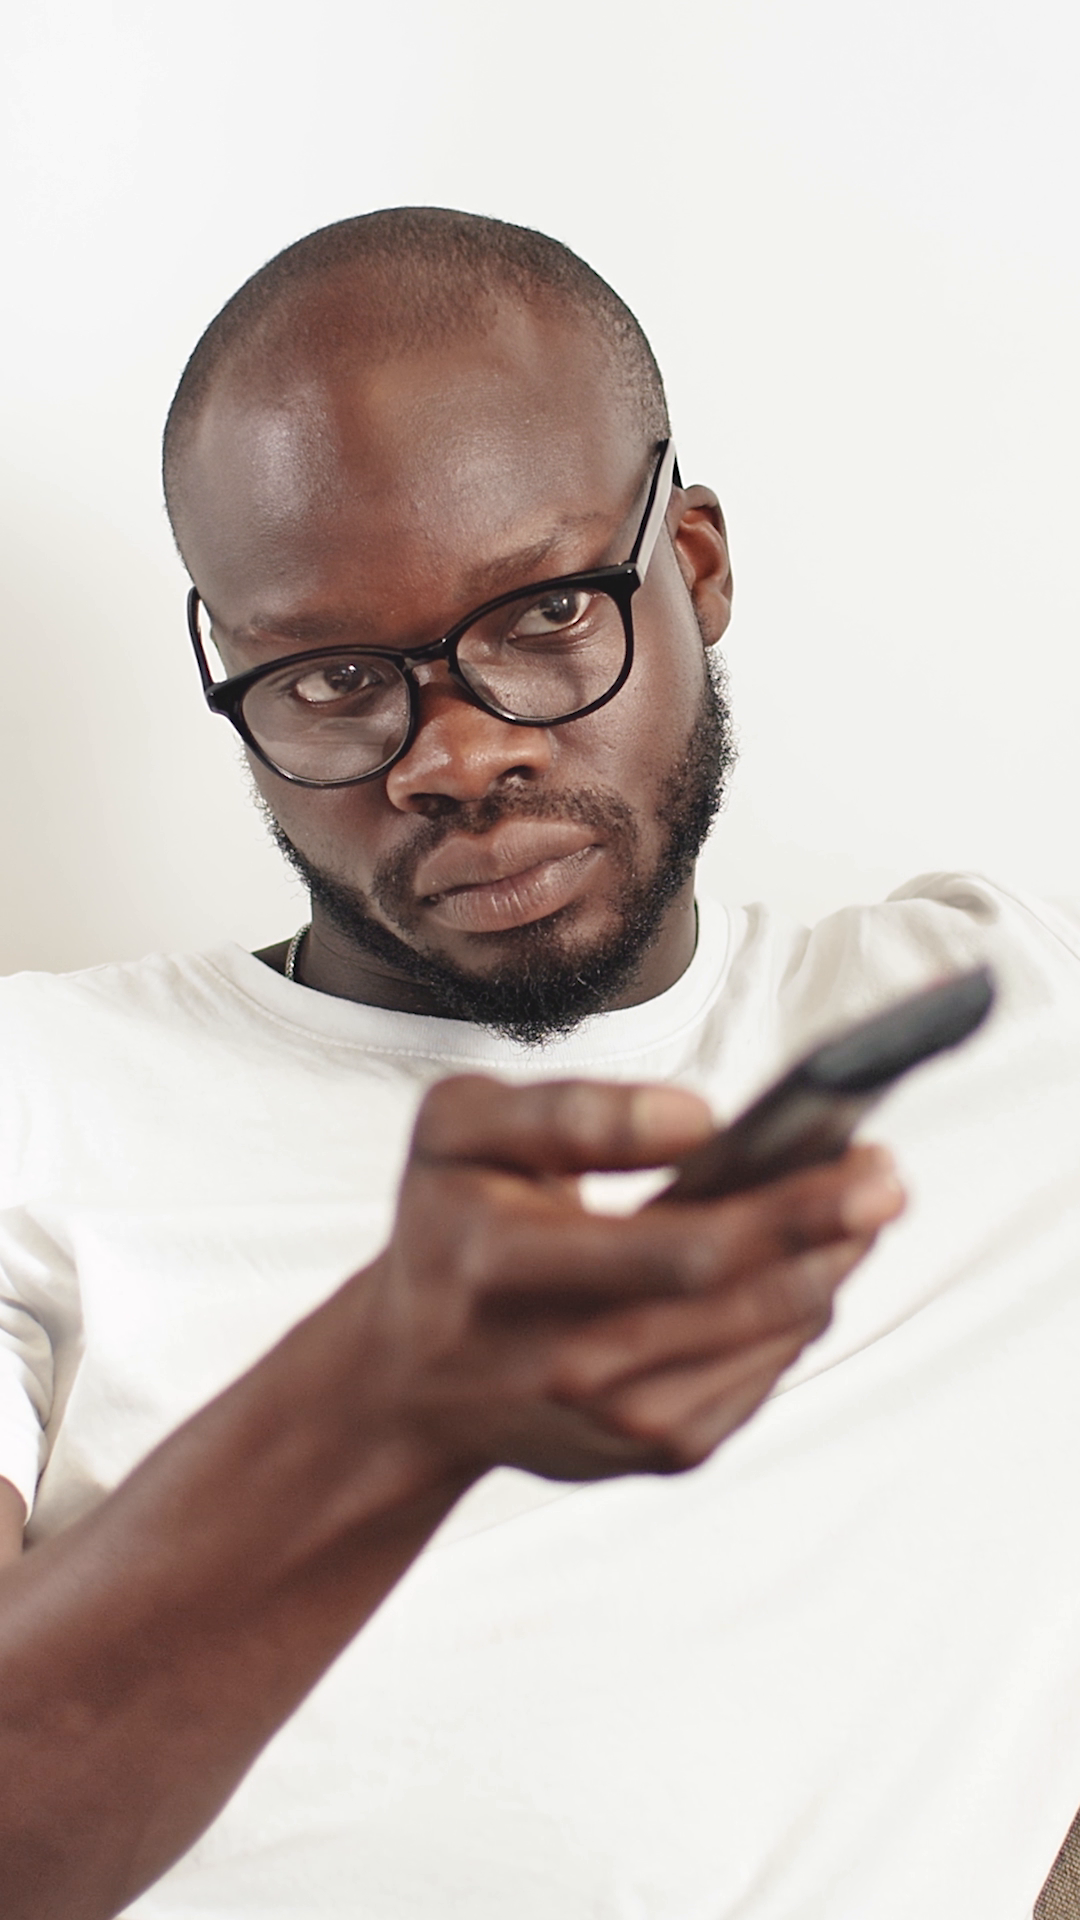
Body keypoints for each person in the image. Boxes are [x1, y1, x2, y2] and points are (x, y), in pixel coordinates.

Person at [1, 207, 1079, 1920]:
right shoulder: (37, 1101)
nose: (454, 753)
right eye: (332, 679)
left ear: (696, 568)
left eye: (547, 614)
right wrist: (377, 1408)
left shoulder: (1018, 1033)